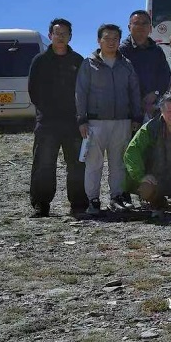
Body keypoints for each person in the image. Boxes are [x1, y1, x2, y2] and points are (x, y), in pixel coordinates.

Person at [76, 23, 143, 214]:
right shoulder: (88, 64)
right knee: (93, 164)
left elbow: (134, 91)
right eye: (107, 38)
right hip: (94, 122)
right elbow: (80, 92)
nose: (111, 42)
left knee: (118, 163)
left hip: (122, 121)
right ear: (99, 40)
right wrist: (81, 119)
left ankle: (117, 197)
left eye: (115, 39)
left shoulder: (126, 64)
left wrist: (136, 116)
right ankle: (93, 200)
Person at [28, 17, 87, 217]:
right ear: (50, 35)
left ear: (70, 37)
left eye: (64, 34)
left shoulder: (78, 60)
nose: (60, 37)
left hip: (73, 122)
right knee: (43, 164)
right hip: (47, 122)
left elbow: (83, 90)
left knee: (77, 164)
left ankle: (78, 204)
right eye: (57, 33)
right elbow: (33, 90)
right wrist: (47, 112)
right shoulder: (40, 61)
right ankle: (41, 204)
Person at [120, 10, 170, 119]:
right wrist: (138, 101)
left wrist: (156, 93)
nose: (140, 27)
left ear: (150, 28)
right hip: (127, 110)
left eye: (144, 23)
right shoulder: (121, 51)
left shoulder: (157, 51)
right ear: (129, 27)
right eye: (136, 23)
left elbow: (165, 75)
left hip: (153, 108)